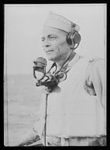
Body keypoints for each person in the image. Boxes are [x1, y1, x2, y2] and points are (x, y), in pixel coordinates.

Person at [17, 12, 106, 146]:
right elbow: (42, 126)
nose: (45, 44)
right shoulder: (51, 75)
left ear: (72, 40)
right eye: (43, 39)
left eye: (51, 38)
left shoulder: (92, 66)